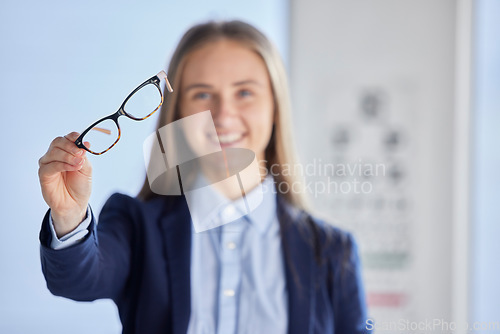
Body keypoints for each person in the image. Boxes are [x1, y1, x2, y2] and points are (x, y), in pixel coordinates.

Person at [38, 20, 370, 334]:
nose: (223, 115)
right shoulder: (136, 226)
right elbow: (76, 280)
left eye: (244, 93)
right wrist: (68, 214)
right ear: (177, 111)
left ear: (275, 106)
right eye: (202, 94)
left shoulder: (333, 251)